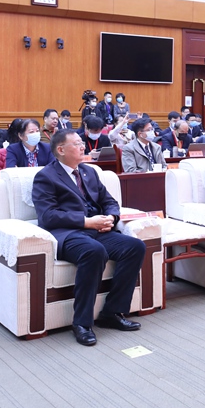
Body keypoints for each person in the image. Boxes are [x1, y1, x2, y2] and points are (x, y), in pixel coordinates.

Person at [32, 130, 146, 346]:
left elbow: (109, 201)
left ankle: (112, 313)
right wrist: (86, 222)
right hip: (68, 233)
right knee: (94, 252)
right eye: (76, 143)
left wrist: (111, 218)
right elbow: (48, 216)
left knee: (135, 247)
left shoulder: (89, 172)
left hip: (98, 231)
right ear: (61, 150)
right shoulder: (45, 177)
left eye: (81, 142)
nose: (83, 146)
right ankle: (82, 323)